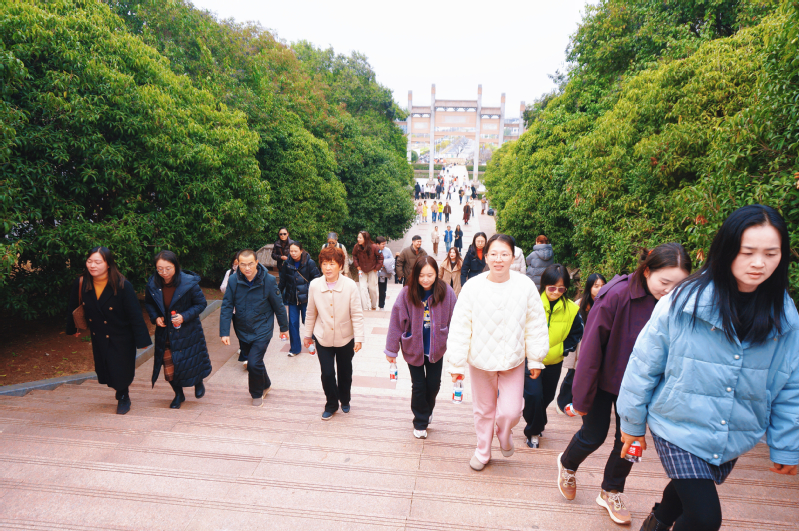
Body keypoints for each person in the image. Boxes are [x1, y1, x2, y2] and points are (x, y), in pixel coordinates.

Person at [618, 205, 799, 531]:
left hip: (733, 429)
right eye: (748, 252)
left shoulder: (784, 314)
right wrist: (632, 424)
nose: (759, 263)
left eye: (771, 253)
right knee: (704, 517)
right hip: (676, 422)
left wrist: (786, 443)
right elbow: (644, 364)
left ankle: (657, 522)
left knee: (687, 489)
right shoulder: (683, 301)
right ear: (727, 249)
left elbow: (789, 382)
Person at [556, 243, 691, 526]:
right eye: (664, 282)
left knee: (630, 441)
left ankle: (611, 490)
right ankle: (568, 464)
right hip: (606, 380)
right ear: (646, 270)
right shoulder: (617, 295)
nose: (669, 291)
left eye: (678, 285)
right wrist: (580, 397)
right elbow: (591, 350)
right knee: (593, 435)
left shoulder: (679, 304)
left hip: (643, 388)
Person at [447, 234, 549, 470]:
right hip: (480, 362)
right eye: (494, 253)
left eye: (505, 254)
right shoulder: (473, 286)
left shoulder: (524, 285)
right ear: (486, 255)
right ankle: (483, 451)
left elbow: (535, 324)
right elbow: (461, 326)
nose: (499, 259)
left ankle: (504, 434)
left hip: (512, 360)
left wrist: (535, 358)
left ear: (513, 256)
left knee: (512, 411)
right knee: (483, 411)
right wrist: (456, 365)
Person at [66, 247, 152, 415]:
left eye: (98, 262)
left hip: (121, 335)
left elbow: (134, 314)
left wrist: (142, 340)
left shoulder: (121, 285)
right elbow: (73, 305)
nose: (92, 265)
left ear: (108, 264)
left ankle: (123, 396)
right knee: (105, 368)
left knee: (120, 369)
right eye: (89, 261)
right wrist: (73, 328)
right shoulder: (82, 282)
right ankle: (119, 390)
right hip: (99, 334)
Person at [385, 256, 458, 438]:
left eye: (430, 275)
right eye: (421, 275)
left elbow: (457, 320)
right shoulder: (406, 293)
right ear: (415, 275)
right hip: (414, 348)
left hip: (436, 349)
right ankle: (420, 422)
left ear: (436, 274)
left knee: (433, 385)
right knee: (418, 386)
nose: (425, 279)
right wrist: (391, 350)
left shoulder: (446, 292)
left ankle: (426, 410)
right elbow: (396, 322)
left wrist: (458, 347)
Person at [523, 264, 584, 448]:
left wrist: (562, 350)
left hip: (554, 362)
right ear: (544, 285)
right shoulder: (530, 304)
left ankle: (536, 423)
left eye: (561, 288)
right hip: (532, 360)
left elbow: (577, 333)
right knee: (533, 395)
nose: (556, 292)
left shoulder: (572, 309)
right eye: (552, 288)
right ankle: (533, 431)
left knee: (546, 397)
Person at [220, 249, 289, 407]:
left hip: (262, 328)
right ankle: (266, 384)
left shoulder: (269, 280)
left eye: (250, 264)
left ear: (257, 263)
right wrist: (224, 332)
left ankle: (256, 393)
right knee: (256, 360)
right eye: (242, 265)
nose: (247, 268)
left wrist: (283, 328)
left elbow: (278, 306)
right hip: (242, 328)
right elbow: (227, 306)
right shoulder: (233, 280)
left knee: (252, 362)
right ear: (238, 265)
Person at [145, 250, 212, 409]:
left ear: (176, 266)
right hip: (166, 332)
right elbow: (149, 304)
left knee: (192, 361)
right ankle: (178, 394)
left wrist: (185, 316)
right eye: (160, 269)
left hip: (188, 330)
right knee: (169, 367)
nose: (164, 273)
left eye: (168, 268)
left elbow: (201, 304)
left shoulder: (188, 283)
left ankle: (198, 382)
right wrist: (155, 317)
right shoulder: (153, 284)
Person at [304, 246, 365, 420]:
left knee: (345, 371)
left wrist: (359, 338)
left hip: (345, 337)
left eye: (332, 264)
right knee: (327, 373)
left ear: (340, 265)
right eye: (324, 264)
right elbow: (311, 312)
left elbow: (357, 313)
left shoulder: (350, 285)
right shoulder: (315, 285)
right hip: (322, 336)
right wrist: (308, 335)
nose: (328, 268)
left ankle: (345, 399)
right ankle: (331, 404)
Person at [557, 273, 606, 412]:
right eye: (596, 286)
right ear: (589, 287)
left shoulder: (608, 302)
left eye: (603, 285)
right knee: (572, 375)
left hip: (596, 345)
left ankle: (581, 404)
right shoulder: (579, 304)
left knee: (589, 377)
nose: (600, 289)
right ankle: (562, 403)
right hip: (580, 344)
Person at [278, 241, 321, 357]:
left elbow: (317, 279)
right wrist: (277, 293)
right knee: (292, 323)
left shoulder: (309, 262)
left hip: (307, 298)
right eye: (291, 251)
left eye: (295, 251)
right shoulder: (287, 263)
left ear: (301, 251)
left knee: (307, 322)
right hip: (292, 298)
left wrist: (308, 290)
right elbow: (283, 281)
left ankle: (313, 342)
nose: (293, 253)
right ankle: (295, 348)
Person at [220, 252, 246, 367]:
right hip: (234, 309)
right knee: (238, 330)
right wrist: (231, 284)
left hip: (246, 309)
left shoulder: (246, 274)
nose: (235, 267)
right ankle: (243, 348)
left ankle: (246, 355)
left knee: (246, 331)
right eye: (234, 264)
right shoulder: (229, 273)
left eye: (238, 264)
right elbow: (222, 288)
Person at [353, 231, 383, 311]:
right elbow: (354, 256)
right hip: (362, 269)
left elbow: (380, 257)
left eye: (360, 238)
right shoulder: (356, 247)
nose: (358, 239)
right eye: (358, 237)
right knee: (362, 288)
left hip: (372, 269)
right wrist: (357, 265)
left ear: (365, 238)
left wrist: (377, 267)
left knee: (372, 288)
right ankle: (365, 308)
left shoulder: (374, 247)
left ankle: (373, 306)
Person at [376, 236, 395, 310]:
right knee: (372, 290)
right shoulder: (373, 250)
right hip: (374, 273)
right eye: (382, 244)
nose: (384, 246)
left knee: (382, 290)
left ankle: (381, 306)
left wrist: (385, 263)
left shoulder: (387, 250)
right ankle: (372, 304)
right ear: (377, 244)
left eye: (385, 244)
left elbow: (392, 260)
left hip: (383, 274)